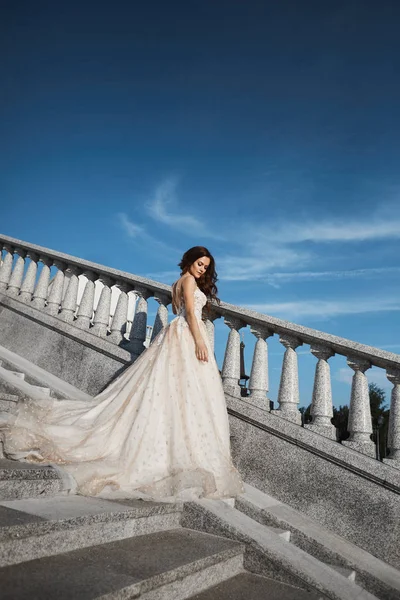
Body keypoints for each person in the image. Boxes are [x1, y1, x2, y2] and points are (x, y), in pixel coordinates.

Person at [0, 247, 243, 502]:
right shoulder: (190, 281)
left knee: (173, 389)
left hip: (176, 334)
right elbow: (191, 314)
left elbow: (177, 311)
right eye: (200, 263)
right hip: (187, 335)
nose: (202, 269)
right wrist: (200, 342)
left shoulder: (178, 282)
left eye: (206, 266)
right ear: (190, 261)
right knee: (185, 391)